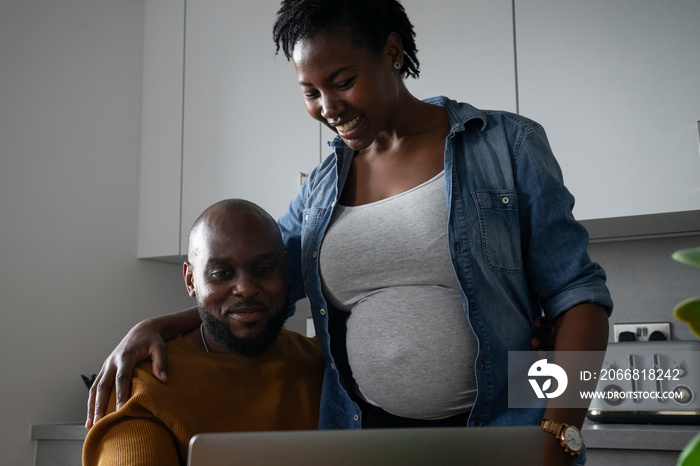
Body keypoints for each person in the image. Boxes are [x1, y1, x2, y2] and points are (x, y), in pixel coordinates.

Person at [86, 1, 612, 464]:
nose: (328, 108)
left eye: (341, 81)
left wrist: (559, 431)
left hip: (500, 435)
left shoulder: (505, 145)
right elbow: (264, 281)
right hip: (360, 440)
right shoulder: (320, 189)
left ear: (391, 52)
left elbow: (579, 297)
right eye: (310, 91)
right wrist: (156, 324)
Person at [82, 199, 324, 466]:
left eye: (264, 269)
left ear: (285, 269)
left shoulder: (323, 365)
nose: (245, 288)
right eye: (221, 273)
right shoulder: (142, 388)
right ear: (190, 280)